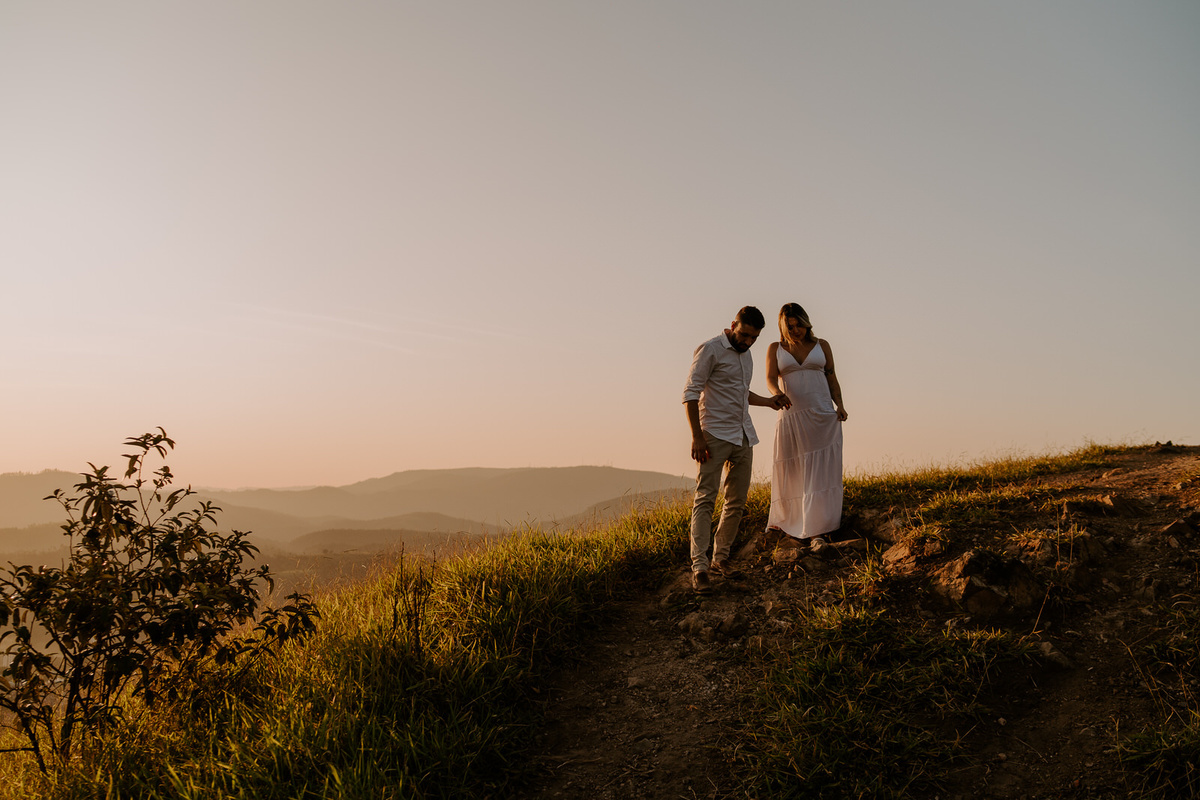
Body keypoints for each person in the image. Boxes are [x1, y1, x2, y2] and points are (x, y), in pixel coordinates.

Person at [683, 306, 791, 594]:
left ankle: (721, 560)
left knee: (736, 501)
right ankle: (700, 568)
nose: (747, 342)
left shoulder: (748, 355)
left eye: (753, 338)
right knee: (705, 499)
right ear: (733, 324)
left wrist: (769, 402)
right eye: (743, 335)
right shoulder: (710, 349)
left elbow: (741, 394)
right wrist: (697, 437)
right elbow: (690, 393)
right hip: (713, 435)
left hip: (743, 436)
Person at [765, 303, 847, 544]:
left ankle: (818, 527)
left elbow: (832, 376)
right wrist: (777, 393)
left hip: (821, 412)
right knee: (793, 468)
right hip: (791, 414)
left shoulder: (822, 345)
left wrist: (839, 405)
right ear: (782, 326)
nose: (796, 329)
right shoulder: (775, 348)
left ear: (806, 322)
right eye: (790, 326)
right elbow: (770, 379)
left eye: (799, 324)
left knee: (819, 471)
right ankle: (788, 521)